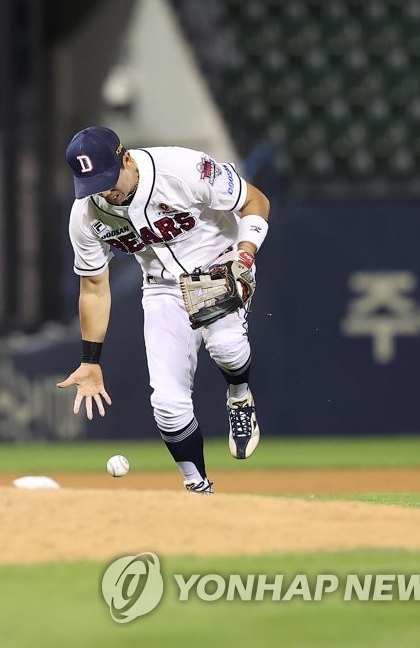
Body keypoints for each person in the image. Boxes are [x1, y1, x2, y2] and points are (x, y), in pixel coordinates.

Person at [56, 126, 271, 494]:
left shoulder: (182, 169)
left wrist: (246, 255)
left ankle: (239, 395)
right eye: (91, 183)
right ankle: (198, 487)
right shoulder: (86, 214)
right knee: (168, 405)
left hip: (220, 266)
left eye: (107, 178)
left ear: (126, 158)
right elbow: (94, 287)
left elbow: (256, 202)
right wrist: (90, 360)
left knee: (227, 349)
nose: (103, 190)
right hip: (161, 287)